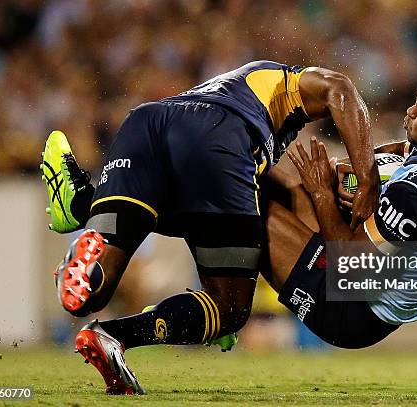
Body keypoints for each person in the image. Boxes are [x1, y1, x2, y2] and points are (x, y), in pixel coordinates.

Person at [40, 60, 379, 394]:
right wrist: (367, 176)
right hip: (217, 136)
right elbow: (340, 86)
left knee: (91, 292)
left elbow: (225, 214)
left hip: (143, 127)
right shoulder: (277, 82)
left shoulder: (236, 106)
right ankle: (89, 226)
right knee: (228, 308)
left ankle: (82, 228)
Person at [260, 76, 417, 349]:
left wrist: (322, 192)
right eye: (416, 103)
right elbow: (402, 151)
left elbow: (349, 270)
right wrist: (365, 179)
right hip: (384, 293)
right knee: (265, 182)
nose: (410, 112)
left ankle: (220, 313)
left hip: (354, 312)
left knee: (251, 215)